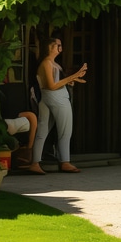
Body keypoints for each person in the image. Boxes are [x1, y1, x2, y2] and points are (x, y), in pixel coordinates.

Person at [30, 36, 87, 174]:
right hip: (56, 98)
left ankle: (35, 163)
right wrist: (72, 76)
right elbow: (51, 85)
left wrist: (71, 80)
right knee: (65, 131)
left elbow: (57, 83)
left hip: (51, 97)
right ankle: (65, 162)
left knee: (42, 131)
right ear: (50, 47)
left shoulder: (54, 64)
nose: (60, 48)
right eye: (58, 45)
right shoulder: (46, 63)